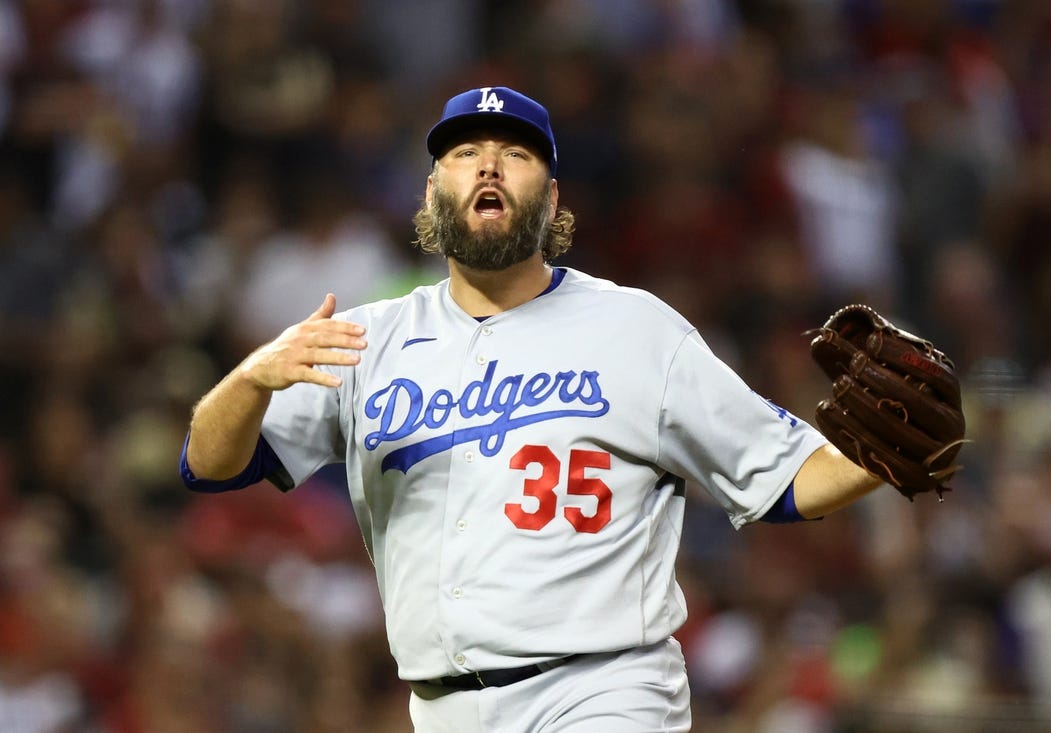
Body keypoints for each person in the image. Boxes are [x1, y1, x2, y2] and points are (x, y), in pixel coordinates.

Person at [180, 86, 883, 732]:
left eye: (514, 155)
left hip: (604, 689)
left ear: (551, 199)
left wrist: (885, 453)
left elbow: (786, 477)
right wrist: (248, 380)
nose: (488, 169)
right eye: (465, 155)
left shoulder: (637, 329)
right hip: (443, 705)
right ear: (432, 194)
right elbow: (212, 465)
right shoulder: (370, 340)